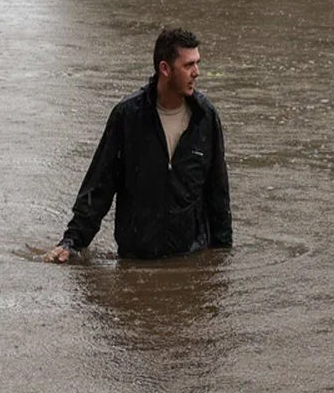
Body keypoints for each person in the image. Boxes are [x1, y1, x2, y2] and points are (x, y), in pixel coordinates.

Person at [45, 27, 232, 262]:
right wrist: (72, 242)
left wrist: (223, 257)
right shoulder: (128, 116)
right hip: (136, 259)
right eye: (188, 65)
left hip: (190, 260)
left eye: (197, 63)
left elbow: (218, 193)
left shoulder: (206, 117)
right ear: (165, 68)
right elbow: (99, 184)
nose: (197, 72)